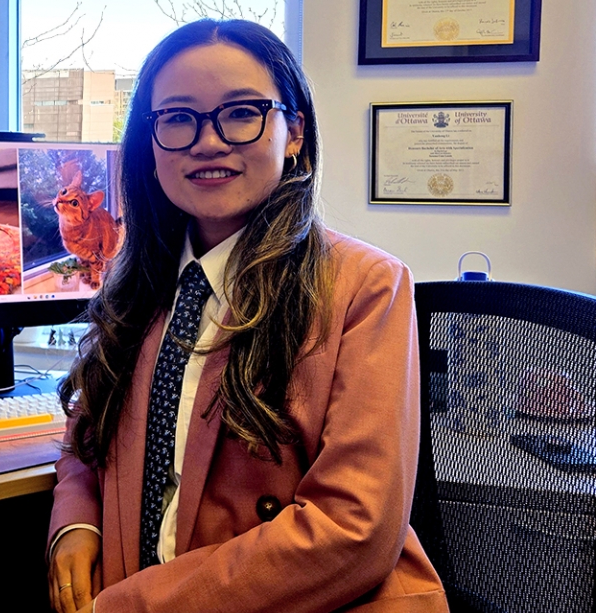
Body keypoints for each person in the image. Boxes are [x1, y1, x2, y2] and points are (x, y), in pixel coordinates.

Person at [47, 19, 449, 613]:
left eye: (240, 112)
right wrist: (76, 522)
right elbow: (90, 431)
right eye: (178, 118)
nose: (208, 142)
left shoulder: (367, 287)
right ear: (149, 142)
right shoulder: (139, 283)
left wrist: (134, 606)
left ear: (293, 133)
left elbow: (352, 528)